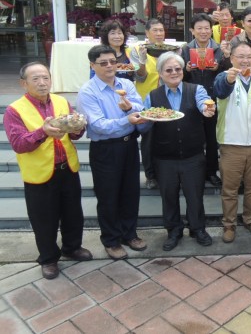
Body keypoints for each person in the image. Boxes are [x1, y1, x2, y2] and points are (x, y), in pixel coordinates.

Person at [5, 62, 92, 279]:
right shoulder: (14, 110)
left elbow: (72, 132)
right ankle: (48, 258)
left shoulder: (61, 101)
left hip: (67, 168)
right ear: (23, 83)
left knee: (73, 213)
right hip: (40, 173)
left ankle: (72, 247)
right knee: (44, 219)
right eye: (35, 79)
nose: (42, 83)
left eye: (45, 77)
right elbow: (19, 144)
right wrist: (42, 132)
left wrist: (77, 128)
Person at [137, 52, 216, 251]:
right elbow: (144, 127)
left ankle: (198, 229)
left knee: (195, 195)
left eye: (178, 69)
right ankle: (173, 231)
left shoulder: (195, 90)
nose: (174, 73)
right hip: (164, 157)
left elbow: (204, 102)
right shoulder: (153, 96)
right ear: (161, 74)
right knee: (169, 196)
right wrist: (144, 120)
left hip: (193, 155)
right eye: (169, 70)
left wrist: (208, 108)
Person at [77, 45, 147, 260]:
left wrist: (130, 109)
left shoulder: (126, 83)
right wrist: (126, 118)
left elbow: (139, 106)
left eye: (112, 61)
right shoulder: (88, 92)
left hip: (128, 145)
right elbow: (98, 125)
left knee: (130, 192)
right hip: (105, 149)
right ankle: (111, 239)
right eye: (103, 63)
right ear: (92, 65)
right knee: (108, 196)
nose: (109, 66)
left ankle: (129, 234)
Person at [214, 41, 251, 243]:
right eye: (241, 56)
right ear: (232, 59)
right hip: (232, 143)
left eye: (249, 56)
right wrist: (229, 80)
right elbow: (220, 91)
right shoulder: (223, 77)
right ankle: (229, 224)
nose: (246, 60)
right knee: (230, 189)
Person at [181, 13, 223, 187]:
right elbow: (180, 75)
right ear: (192, 30)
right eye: (200, 28)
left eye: (207, 28)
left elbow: (224, 74)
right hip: (191, 98)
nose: (204, 32)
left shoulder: (218, 48)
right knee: (193, 137)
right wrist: (186, 69)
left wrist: (218, 67)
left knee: (212, 137)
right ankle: (194, 172)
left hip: (212, 98)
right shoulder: (185, 49)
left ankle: (211, 172)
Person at [130, 19, 170, 190]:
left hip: (167, 99)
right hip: (146, 99)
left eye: (161, 30)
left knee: (166, 137)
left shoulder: (170, 51)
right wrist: (142, 61)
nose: (159, 34)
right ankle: (150, 175)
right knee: (148, 139)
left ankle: (166, 173)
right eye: (155, 30)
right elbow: (140, 77)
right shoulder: (137, 50)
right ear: (146, 33)